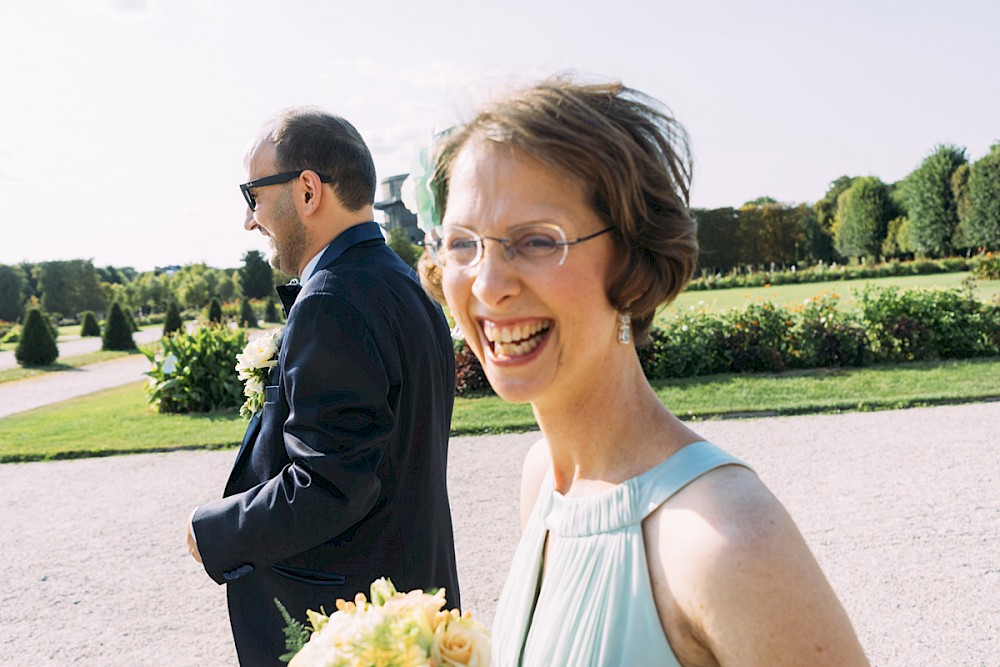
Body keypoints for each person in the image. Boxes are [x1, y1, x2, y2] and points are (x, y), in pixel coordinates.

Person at [417, 79, 870, 666]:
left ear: (632, 260)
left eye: (535, 240)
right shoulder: (543, 483)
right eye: (462, 243)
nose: (487, 284)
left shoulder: (722, 538)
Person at [187, 107, 461, 665]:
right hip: (413, 598)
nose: (249, 219)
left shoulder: (331, 301)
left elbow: (331, 484)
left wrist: (216, 531)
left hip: (355, 624)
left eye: (253, 195)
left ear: (308, 190)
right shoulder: (403, 284)